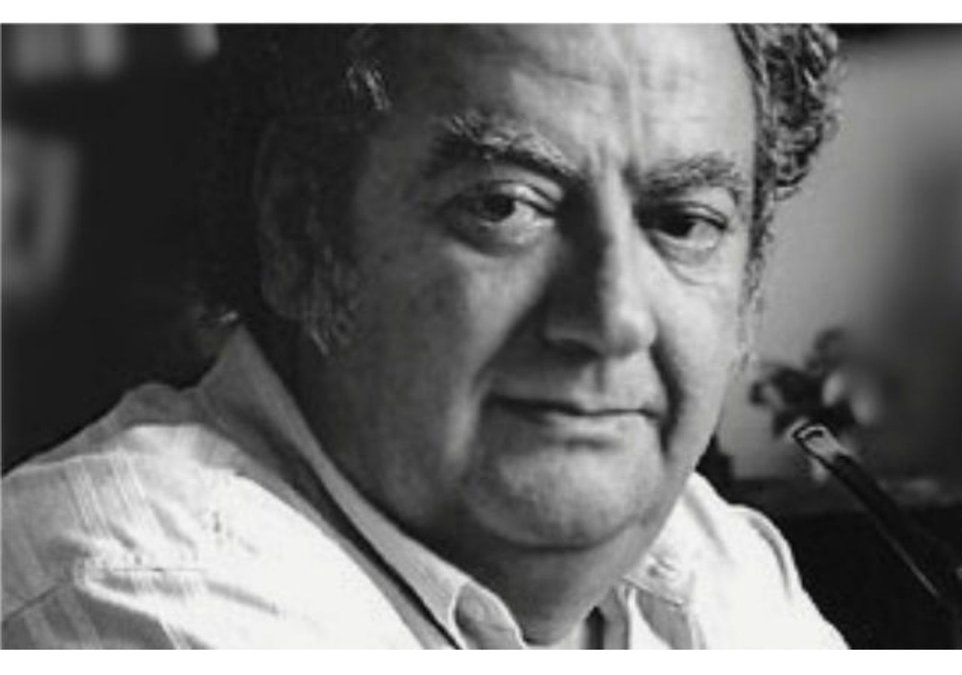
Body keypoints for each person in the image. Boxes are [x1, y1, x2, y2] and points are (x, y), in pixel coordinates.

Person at [1, 24, 848, 648]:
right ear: (301, 232)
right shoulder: (137, 586)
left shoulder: (714, 558)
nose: (613, 317)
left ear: (751, 288)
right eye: (503, 205)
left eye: (685, 221)